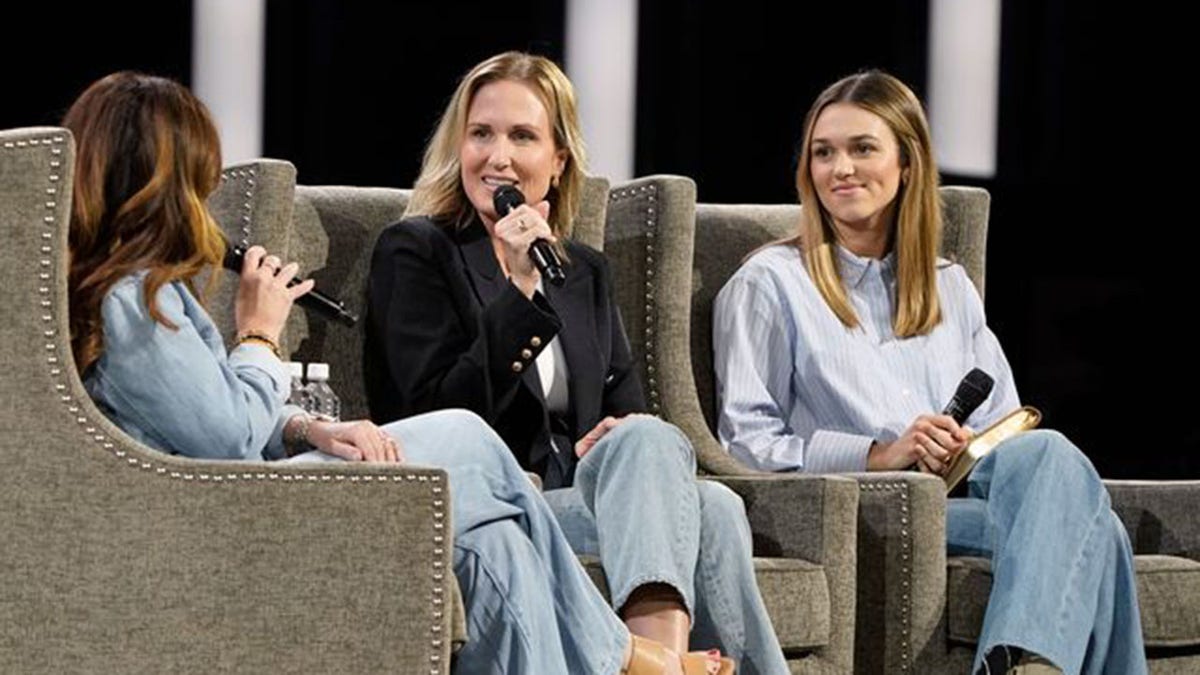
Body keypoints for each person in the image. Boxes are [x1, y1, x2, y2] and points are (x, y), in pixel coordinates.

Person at [65, 71, 706, 675]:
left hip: (244, 486)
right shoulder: (129, 298)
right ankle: (622, 652)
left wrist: (305, 428)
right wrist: (259, 334)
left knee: (502, 546)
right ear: (161, 179)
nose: (207, 199)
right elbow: (224, 438)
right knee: (465, 436)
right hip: (220, 509)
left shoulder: (144, 291)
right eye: (199, 178)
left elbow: (217, 415)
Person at [713, 70, 1146, 675]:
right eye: (823, 153)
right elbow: (746, 446)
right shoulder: (769, 285)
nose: (841, 168)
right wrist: (878, 454)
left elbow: (1009, 440)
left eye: (862, 148)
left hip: (961, 499)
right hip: (861, 511)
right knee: (1097, 532)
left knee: (1048, 460)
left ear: (907, 163)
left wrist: (966, 447)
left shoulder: (950, 287)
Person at [366, 51, 784, 675]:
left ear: (558, 162)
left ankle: (660, 662)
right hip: (492, 511)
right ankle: (663, 665)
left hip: (577, 499)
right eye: (481, 134)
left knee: (704, 495)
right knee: (709, 513)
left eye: (522, 136)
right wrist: (519, 295)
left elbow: (627, 406)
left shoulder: (582, 270)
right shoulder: (418, 251)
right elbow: (436, 412)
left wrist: (623, 432)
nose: (497, 156)